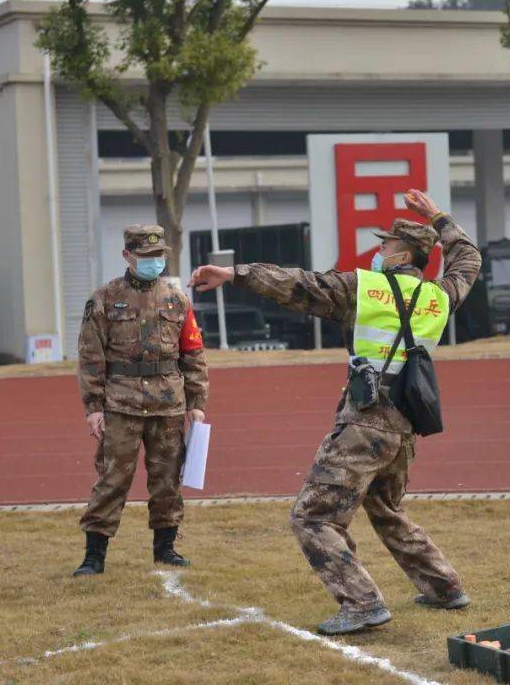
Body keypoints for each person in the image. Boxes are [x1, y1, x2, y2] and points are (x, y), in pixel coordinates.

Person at [189, 190, 481, 634]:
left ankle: (362, 603)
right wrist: (440, 218)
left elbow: (297, 284)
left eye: (385, 244)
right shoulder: (441, 295)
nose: (379, 251)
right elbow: (468, 259)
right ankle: (444, 587)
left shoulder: (363, 288)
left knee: (312, 516)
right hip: (404, 425)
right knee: (385, 507)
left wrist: (235, 274)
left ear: (402, 254)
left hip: (364, 423)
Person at [73, 224, 208, 576]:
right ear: (127, 255)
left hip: (168, 404)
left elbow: (193, 353)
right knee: (112, 479)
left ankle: (166, 548)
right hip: (122, 404)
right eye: (147, 256)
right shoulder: (104, 299)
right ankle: (94, 555)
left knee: (167, 479)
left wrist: (197, 402)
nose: (154, 261)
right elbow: (90, 357)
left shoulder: (177, 299)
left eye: (159, 255)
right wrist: (93, 408)